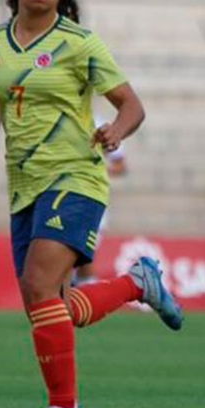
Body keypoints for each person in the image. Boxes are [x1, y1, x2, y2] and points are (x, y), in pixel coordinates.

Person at [0, 0, 184, 408]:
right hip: (23, 185)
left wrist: (115, 131)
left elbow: (132, 105)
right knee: (53, 306)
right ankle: (137, 283)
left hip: (76, 176)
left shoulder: (79, 43)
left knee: (40, 284)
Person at [72, 114, 128, 287]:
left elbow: (120, 165)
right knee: (70, 258)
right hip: (63, 198)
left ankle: (88, 296)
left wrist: (95, 170)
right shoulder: (61, 122)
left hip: (92, 200)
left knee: (83, 256)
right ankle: (77, 298)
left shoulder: (99, 125)